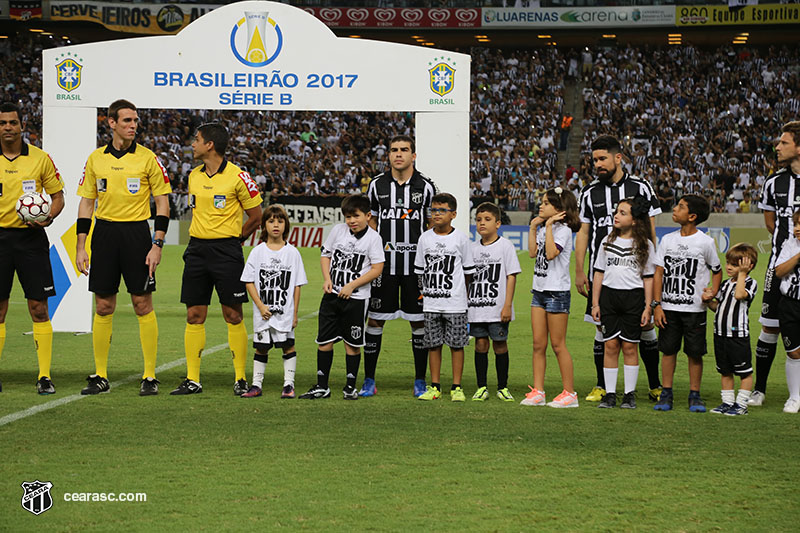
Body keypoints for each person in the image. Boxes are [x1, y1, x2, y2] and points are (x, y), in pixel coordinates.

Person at [75, 99, 171, 396]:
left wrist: (157, 244)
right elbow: (87, 202)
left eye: (135, 121)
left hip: (136, 234)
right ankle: (100, 375)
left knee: (143, 304)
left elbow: (163, 202)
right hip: (104, 233)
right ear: (112, 123)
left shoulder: (148, 159)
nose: (133, 126)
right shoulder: (95, 159)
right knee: (104, 304)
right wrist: (81, 245)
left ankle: (150, 376)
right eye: (127, 120)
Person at [171, 123, 263, 395]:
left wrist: (235, 240)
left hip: (227, 252)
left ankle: (240, 379)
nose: (193, 144)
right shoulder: (194, 176)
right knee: (194, 314)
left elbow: (256, 216)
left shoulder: (239, 176)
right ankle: (193, 379)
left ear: (210, 145)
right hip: (197, 250)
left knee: (233, 314)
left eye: (197, 140)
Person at [575, 135, 662, 403]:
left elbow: (652, 232)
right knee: (602, 331)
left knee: (644, 331)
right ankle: (603, 386)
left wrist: (655, 271)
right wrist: (580, 271)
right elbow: (583, 232)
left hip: (636, 278)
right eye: (594, 161)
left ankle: (655, 384)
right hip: (604, 274)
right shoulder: (589, 192)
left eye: (602, 159)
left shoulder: (641, 187)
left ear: (618, 158)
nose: (597, 165)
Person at [362, 135, 437, 397]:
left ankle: (419, 380)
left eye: (404, 150)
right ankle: (369, 380)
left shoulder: (426, 187)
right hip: (384, 268)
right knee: (374, 320)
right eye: (394, 150)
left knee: (418, 323)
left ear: (413, 155)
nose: (398, 154)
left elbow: (432, 224)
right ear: (389, 155)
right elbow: (369, 219)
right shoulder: (376, 186)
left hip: (415, 269)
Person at [0, 101, 64, 394]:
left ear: (22, 126)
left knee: (38, 308)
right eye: (3, 123)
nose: (8, 128)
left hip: (31, 241)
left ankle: (44, 376)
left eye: (13, 122)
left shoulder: (40, 159)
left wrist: (49, 216)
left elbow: (58, 196)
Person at [299, 194, 384, 400]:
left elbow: (377, 268)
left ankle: (349, 387)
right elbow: (325, 255)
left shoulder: (374, 238)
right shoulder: (338, 230)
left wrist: (352, 285)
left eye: (355, 216)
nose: (351, 221)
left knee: (352, 344)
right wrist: (327, 279)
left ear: (367, 215)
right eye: (347, 216)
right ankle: (322, 386)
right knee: (324, 341)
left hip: (356, 299)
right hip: (331, 296)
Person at [653, 195, 722, 412]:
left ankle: (695, 395)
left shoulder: (705, 242)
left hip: (694, 310)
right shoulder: (667, 240)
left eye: (680, 207)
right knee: (668, 351)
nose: (674, 209)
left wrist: (712, 292)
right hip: (669, 308)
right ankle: (666, 393)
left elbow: (717, 270)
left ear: (692, 216)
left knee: (694, 353)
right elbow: (658, 274)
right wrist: (657, 304)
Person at [750, 121, 800, 407]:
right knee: (769, 327)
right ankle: (759, 389)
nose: (777, 147)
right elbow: (771, 225)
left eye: (783, 142)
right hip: (779, 266)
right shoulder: (774, 182)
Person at [591, 197, 656, 409]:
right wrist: (595, 304)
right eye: (616, 212)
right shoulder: (606, 241)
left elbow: (648, 278)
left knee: (630, 347)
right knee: (610, 345)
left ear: (635, 220)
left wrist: (648, 307)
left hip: (633, 299)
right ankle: (610, 394)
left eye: (623, 213)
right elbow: (598, 274)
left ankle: (629, 394)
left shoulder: (645, 245)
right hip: (609, 298)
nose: (616, 216)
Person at [521, 187, 581, 408]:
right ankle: (538, 392)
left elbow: (550, 253)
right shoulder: (545, 227)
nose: (541, 205)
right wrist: (533, 226)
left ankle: (570, 393)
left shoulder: (563, 230)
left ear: (559, 209)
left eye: (546, 203)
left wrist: (547, 226)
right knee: (538, 344)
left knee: (558, 345)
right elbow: (532, 253)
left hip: (556, 293)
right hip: (539, 291)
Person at [240, 205, 307, 399]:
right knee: (261, 348)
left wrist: (294, 314)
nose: (275, 225)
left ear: (286, 225)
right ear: (264, 225)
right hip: (263, 313)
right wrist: (260, 306)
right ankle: (256, 384)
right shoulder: (257, 252)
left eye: (280, 221)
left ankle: (288, 385)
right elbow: (248, 281)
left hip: (284, 313)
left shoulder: (292, 253)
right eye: (271, 221)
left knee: (288, 346)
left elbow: (296, 285)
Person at [414, 193, 475, 401]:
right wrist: (426, 292)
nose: (437, 214)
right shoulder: (425, 238)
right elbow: (419, 271)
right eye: (434, 210)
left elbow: (468, 272)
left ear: (453, 214)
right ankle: (435, 386)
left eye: (442, 210)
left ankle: (456, 387)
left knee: (457, 345)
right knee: (433, 344)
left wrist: (459, 293)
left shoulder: (461, 239)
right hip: (431, 303)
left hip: (455, 303)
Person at [467, 202, 521, 402]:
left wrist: (507, 305)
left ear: (498, 223)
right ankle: (481, 387)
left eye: (487, 219)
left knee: (500, 344)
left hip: (498, 308)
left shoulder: (505, 246)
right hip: (476, 308)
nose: (482, 223)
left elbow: (511, 276)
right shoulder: (471, 249)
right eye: (479, 220)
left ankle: (502, 387)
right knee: (480, 345)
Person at [706, 243, 758, 416]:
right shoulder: (725, 284)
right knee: (725, 370)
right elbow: (717, 307)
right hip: (720, 334)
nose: (728, 267)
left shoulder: (750, 283)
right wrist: (707, 300)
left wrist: (742, 274)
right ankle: (727, 402)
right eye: (728, 262)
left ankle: (741, 405)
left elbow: (740, 295)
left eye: (734, 264)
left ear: (748, 266)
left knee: (744, 372)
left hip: (737, 335)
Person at [774, 209, 800, 413]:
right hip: (790, 304)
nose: (797, 228)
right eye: (796, 224)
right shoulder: (789, 244)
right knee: (793, 352)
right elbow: (779, 271)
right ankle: (794, 398)